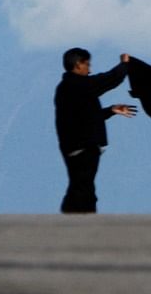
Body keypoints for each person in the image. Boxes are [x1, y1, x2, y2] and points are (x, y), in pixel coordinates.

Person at [54, 48, 137, 213]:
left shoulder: (66, 88)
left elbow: (83, 118)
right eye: (87, 64)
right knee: (84, 190)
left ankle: (71, 222)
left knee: (80, 186)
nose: (89, 69)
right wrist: (125, 64)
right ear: (78, 65)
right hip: (82, 148)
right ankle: (82, 225)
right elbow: (110, 80)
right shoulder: (78, 84)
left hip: (73, 147)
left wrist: (111, 110)